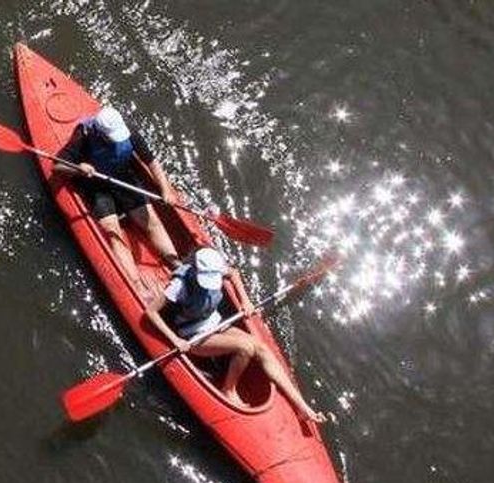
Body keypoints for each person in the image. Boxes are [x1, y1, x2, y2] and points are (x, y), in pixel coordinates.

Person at [144, 247, 327, 423]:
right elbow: (151, 312)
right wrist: (174, 339)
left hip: (215, 323)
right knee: (245, 347)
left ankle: (302, 407)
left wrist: (244, 300)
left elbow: (233, 273)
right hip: (192, 335)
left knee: (260, 347)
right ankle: (228, 390)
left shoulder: (214, 268)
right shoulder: (180, 284)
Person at [54, 104, 182, 292]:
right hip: (96, 185)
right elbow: (57, 166)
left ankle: (177, 265)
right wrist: (77, 168)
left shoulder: (128, 129)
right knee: (113, 232)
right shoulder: (84, 135)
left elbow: (151, 161)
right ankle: (136, 287)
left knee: (152, 222)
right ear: (101, 132)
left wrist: (165, 189)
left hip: (123, 177)